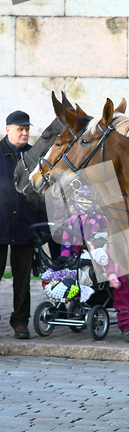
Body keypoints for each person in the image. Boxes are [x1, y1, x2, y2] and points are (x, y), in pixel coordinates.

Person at [60, 186, 129, 343]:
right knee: (123, 289)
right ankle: (128, 326)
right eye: (80, 199)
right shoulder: (72, 221)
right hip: (87, 260)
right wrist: (66, 260)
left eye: (86, 199)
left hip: (108, 259)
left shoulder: (101, 219)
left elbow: (106, 243)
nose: (83, 203)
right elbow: (66, 245)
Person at [0, 110, 49, 339]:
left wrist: (43, 227)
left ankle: (20, 323)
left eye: (27, 129)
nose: (25, 133)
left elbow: (42, 194)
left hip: (25, 225)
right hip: (0, 226)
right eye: (20, 129)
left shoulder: (33, 157)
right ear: (8, 129)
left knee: (22, 280)